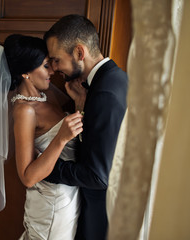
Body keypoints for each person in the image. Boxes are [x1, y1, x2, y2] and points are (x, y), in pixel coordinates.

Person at [0, 34, 85, 239]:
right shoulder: (24, 111)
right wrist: (60, 139)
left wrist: (79, 102)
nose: (52, 70)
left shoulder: (46, 95)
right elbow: (27, 177)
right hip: (52, 205)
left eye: (50, 63)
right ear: (25, 73)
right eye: (44, 66)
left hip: (68, 195)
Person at [43, 14, 129, 240]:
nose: (53, 68)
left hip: (101, 216)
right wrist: (81, 104)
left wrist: (46, 168)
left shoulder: (105, 93)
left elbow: (98, 176)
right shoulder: (115, 78)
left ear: (79, 52)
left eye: (56, 59)